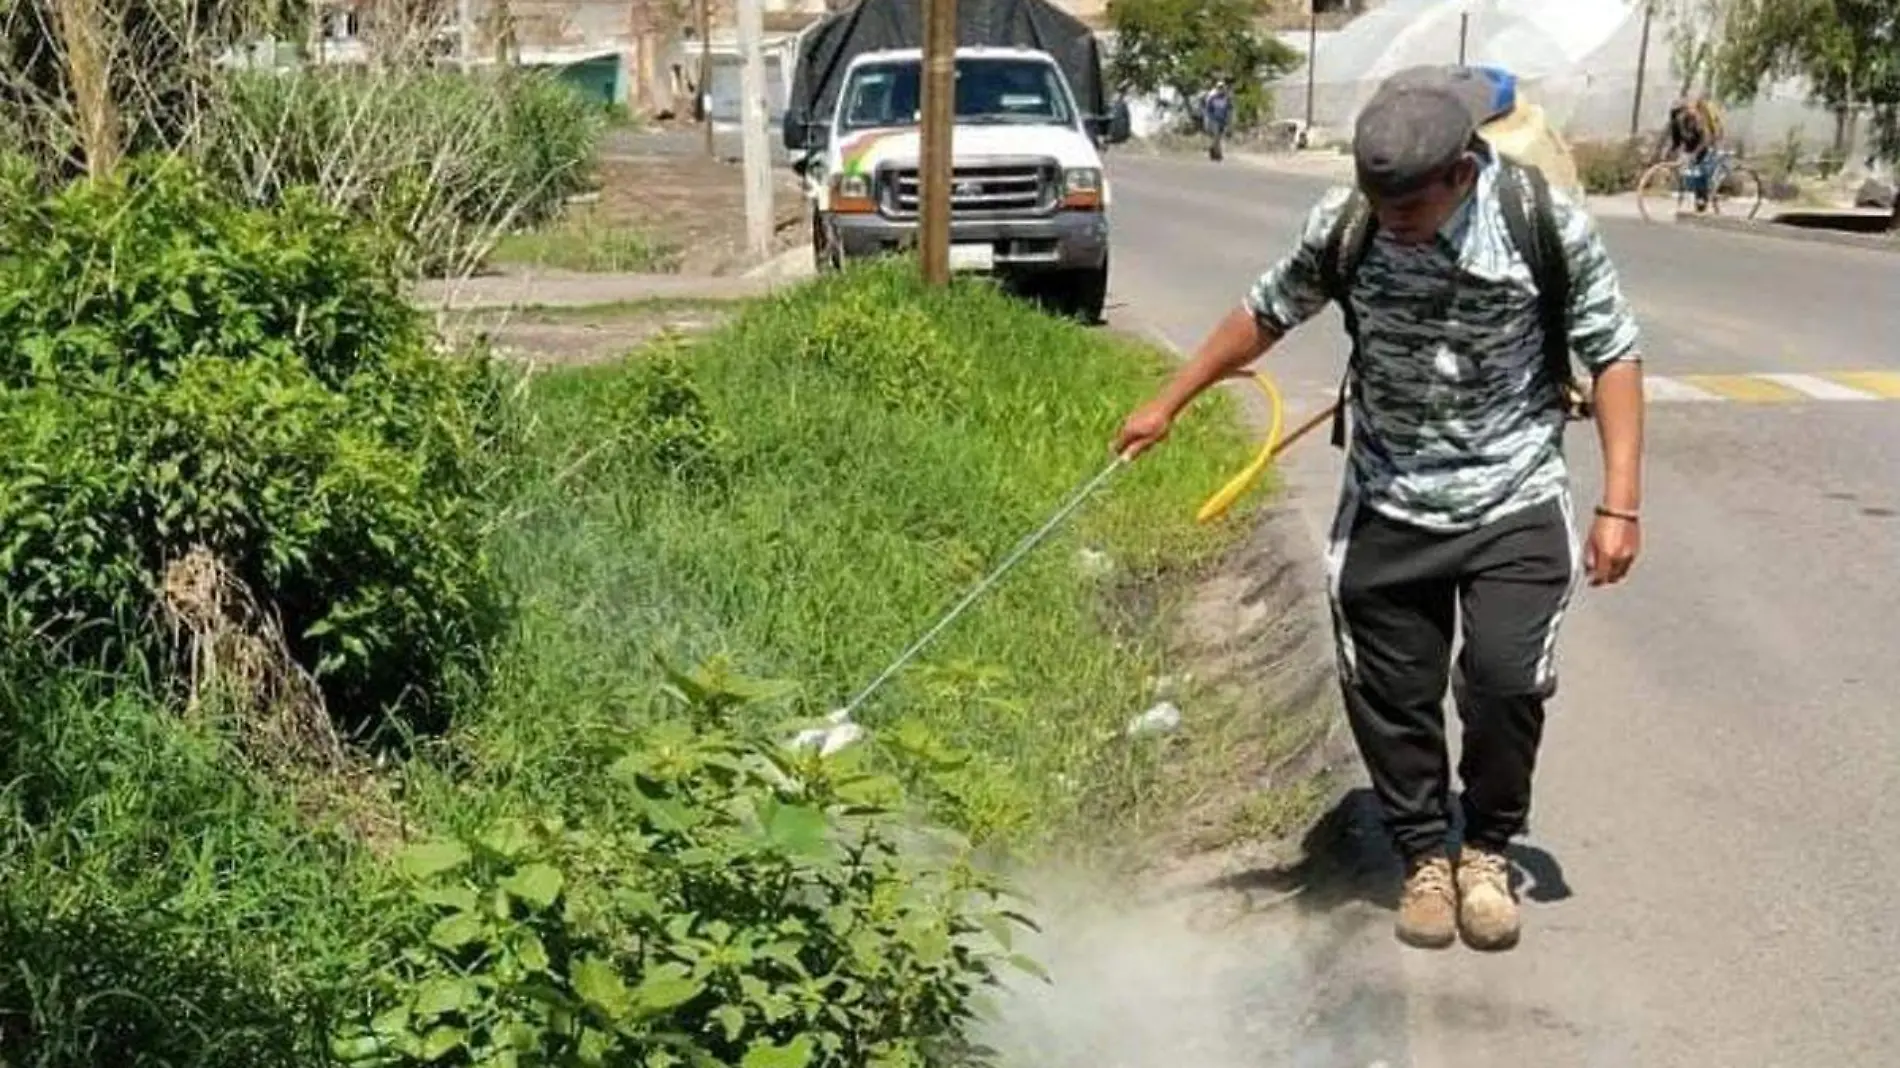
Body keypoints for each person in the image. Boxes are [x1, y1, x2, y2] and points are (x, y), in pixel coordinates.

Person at [1114, 68, 1646, 952]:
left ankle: (1485, 848)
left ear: (1464, 175)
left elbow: (1615, 352)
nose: (1393, 227)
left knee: (1506, 681)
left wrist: (1620, 502)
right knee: (1390, 692)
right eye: (1381, 208)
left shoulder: (1542, 223)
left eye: (1411, 211)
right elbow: (1266, 310)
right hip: (1390, 494)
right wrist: (1169, 402)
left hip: (1512, 492)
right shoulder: (1349, 224)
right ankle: (1423, 858)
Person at [1667, 93, 1723, 212]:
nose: (1678, 115)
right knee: (1692, 172)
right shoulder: (1677, 122)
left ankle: (1702, 200)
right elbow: (1676, 142)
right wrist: (1671, 154)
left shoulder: (1698, 118)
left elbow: (1706, 139)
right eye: (1676, 113)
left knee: (1701, 170)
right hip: (1691, 143)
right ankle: (1699, 196)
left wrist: (1694, 154)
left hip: (1705, 143)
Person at [1202, 79, 1234, 161]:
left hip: (1222, 120)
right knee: (1216, 135)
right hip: (1214, 119)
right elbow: (1208, 110)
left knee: (1219, 137)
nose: (1220, 89)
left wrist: (1229, 122)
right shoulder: (1212, 98)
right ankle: (1216, 152)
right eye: (1219, 87)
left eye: (1222, 87)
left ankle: (1215, 153)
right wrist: (1208, 120)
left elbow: (1229, 110)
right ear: (1217, 88)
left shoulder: (1226, 98)